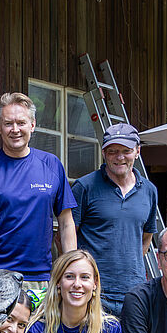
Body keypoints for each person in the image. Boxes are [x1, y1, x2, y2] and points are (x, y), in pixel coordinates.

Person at [0, 92, 77, 290]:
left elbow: (66, 224)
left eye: (21, 123)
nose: (15, 130)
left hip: (40, 278)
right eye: (8, 123)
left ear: (32, 124)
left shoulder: (51, 165)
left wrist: (70, 271)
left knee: (39, 323)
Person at [70, 122, 158, 315]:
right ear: (103, 153)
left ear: (137, 151)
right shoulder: (84, 187)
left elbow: (146, 238)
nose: (119, 157)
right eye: (112, 151)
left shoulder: (149, 191)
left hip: (134, 291)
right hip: (93, 292)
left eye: (126, 151)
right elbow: (66, 237)